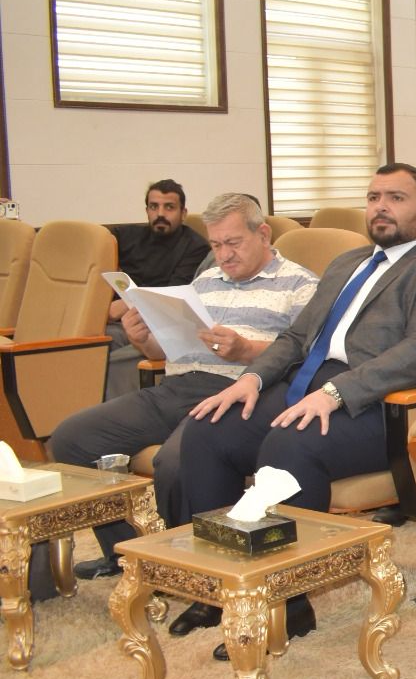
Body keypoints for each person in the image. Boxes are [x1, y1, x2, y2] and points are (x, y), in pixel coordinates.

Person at [180, 164, 416, 660]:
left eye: (396, 198)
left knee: (288, 448)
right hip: (308, 385)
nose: (381, 207)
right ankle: (223, 589)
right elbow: (296, 337)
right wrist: (251, 379)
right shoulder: (346, 263)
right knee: (208, 428)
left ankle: (287, 606)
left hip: (381, 402)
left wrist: (337, 392)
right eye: (374, 197)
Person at [39, 195, 318, 605]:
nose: (224, 255)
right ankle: (129, 553)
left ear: (263, 234)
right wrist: (143, 339)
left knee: (176, 461)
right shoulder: (204, 282)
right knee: (73, 438)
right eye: (216, 245)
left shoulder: (301, 285)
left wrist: (246, 350)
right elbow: (165, 351)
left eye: (233, 243)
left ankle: (194, 570)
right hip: (177, 386)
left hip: (240, 393)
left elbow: (307, 357)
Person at [104, 180, 213, 397]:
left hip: (161, 326)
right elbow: (99, 245)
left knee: (104, 363)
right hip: (123, 323)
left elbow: (171, 295)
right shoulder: (129, 237)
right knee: (90, 346)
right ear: (147, 210)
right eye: (154, 207)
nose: (160, 214)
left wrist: (125, 304)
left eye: (169, 207)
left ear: (183, 213)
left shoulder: (195, 247)